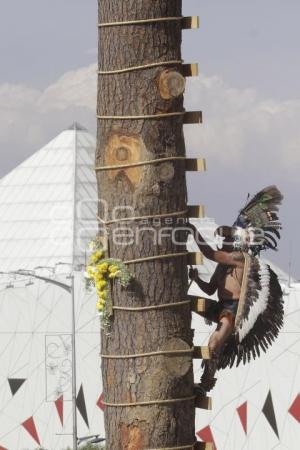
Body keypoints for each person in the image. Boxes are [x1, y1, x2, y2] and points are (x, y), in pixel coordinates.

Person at [188, 186, 284, 395]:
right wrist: (196, 280)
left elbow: (209, 253)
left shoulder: (240, 259)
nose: (224, 242)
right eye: (224, 240)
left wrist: (192, 230)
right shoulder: (224, 264)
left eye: (228, 239)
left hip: (231, 313)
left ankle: (205, 383)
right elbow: (211, 288)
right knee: (186, 302)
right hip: (220, 307)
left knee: (213, 345)